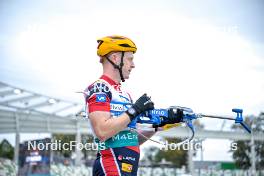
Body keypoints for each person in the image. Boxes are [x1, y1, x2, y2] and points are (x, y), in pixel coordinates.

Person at [84, 35, 181, 176]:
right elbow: (102, 131)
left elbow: (132, 139)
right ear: (116, 58)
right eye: (130, 59)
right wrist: (135, 109)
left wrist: (159, 125)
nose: (133, 65)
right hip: (111, 166)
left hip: (128, 166)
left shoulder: (124, 93)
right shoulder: (100, 88)